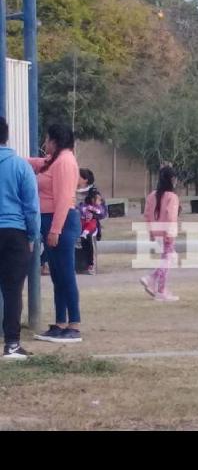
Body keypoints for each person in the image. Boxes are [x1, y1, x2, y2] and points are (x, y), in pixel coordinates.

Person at [27, 124, 83, 343]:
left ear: (55, 141)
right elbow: (37, 163)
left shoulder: (65, 162)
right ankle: (60, 322)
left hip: (61, 222)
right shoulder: (54, 161)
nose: (45, 143)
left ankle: (74, 323)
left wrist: (55, 230)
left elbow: (63, 199)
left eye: (47, 139)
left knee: (66, 274)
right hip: (50, 220)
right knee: (57, 275)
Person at [0, 119, 40, 359]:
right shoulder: (20, 166)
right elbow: (31, 207)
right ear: (7, 136)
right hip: (15, 234)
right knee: (13, 289)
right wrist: (33, 236)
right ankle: (12, 344)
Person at [140, 166, 181, 301]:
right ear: (172, 179)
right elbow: (171, 216)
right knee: (167, 260)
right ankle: (160, 289)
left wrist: (151, 232)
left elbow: (147, 215)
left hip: (157, 231)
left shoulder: (152, 195)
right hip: (167, 232)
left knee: (168, 258)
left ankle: (152, 280)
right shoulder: (172, 197)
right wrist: (169, 233)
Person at [76, 168, 106, 275]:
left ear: (85, 180)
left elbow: (103, 213)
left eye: (77, 176)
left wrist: (92, 214)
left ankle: (90, 264)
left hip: (89, 225)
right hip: (75, 223)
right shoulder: (69, 189)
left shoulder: (94, 193)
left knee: (87, 237)